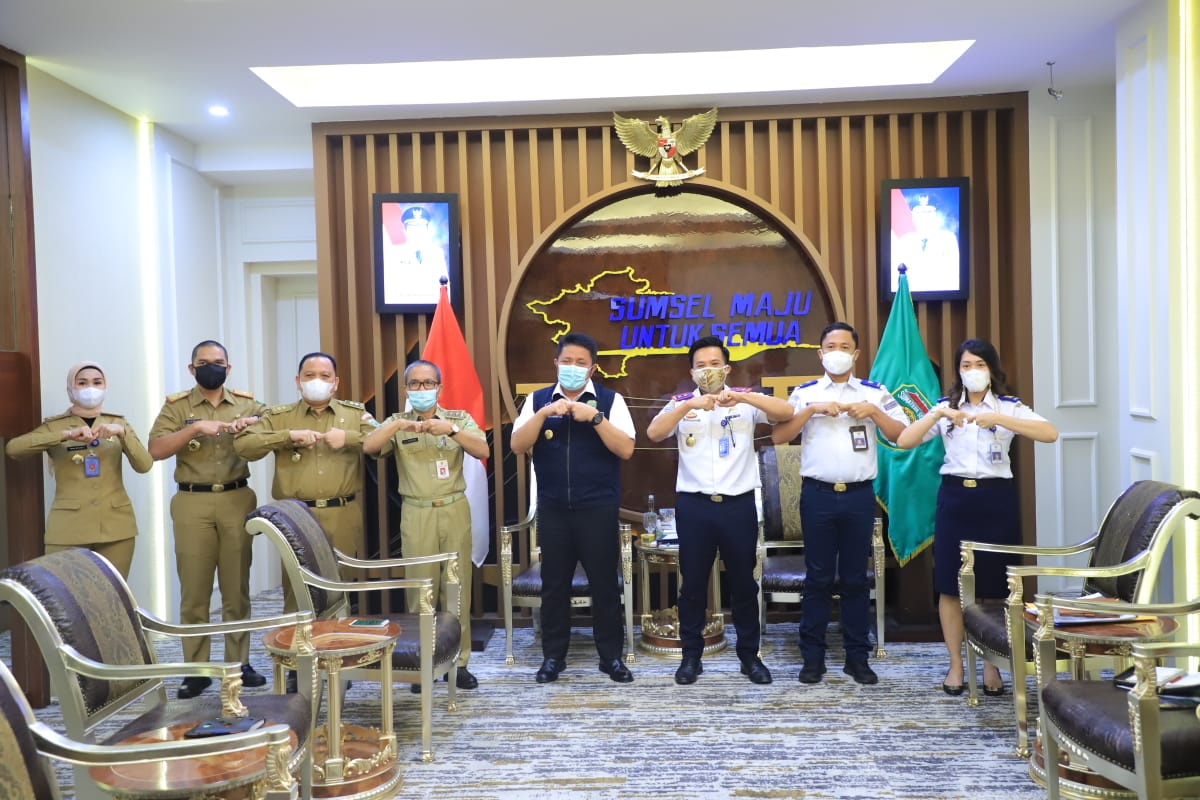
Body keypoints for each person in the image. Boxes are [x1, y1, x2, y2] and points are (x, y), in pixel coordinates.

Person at [896, 338, 1057, 696]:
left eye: (979, 365)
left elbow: (1050, 433)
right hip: (955, 498)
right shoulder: (945, 407)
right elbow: (904, 441)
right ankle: (956, 663)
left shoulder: (1009, 407)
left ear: (992, 369)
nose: (972, 371)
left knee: (995, 587)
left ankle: (991, 663)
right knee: (950, 585)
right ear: (958, 371)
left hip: (995, 499)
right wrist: (937, 415)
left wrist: (997, 418)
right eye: (966, 365)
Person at [646, 335, 793, 686]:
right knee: (692, 587)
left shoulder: (745, 401)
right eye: (701, 366)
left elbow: (786, 413)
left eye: (714, 364)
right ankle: (691, 658)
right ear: (691, 372)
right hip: (695, 507)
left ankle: (750, 657)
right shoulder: (681, 403)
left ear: (727, 369)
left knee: (743, 585)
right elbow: (654, 433)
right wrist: (688, 405)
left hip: (738, 506)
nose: (708, 371)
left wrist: (742, 396)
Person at [772, 322, 908, 685]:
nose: (837, 352)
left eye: (844, 346)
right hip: (817, 495)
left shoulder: (874, 393)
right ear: (820, 354)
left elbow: (902, 434)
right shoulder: (805, 393)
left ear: (855, 354)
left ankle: (857, 658)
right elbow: (779, 435)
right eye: (830, 346)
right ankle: (812, 657)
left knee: (854, 580)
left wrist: (873, 412)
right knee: (817, 578)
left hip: (859, 496)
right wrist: (810, 411)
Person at [510, 332, 636, 684]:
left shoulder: (610, 400)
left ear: (593, 368)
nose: (573, 368)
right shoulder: (537, 400)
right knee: (554, 587)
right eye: (567, 361)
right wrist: (544, 413)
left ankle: (611, 658)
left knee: (604, 585)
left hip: (598, 509)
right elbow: (517, 444)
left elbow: (626, 449)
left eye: (581, 363)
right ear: (556, 363)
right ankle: (553, 657)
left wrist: (594, 418)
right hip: (554, 511)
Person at [148, 340, 269, 699]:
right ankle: (197, 669)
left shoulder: (246, 403)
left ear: (228, 368)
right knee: (194, 591)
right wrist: (194, 428)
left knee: (236, 588)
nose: (211, 367)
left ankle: (238, 664)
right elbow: (155, 449)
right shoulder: (177, 407)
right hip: (192, 501)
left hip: (236, 498)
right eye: (203, 362)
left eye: (218, 362)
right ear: (192, 369)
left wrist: (252, 423)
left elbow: (273, 424)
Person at [363, 359, 489, 691]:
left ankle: (459, 663)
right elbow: (370, 446)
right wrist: (397, 425)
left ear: (439, 387)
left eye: (428, 383)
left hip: (454, 509)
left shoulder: (457, 418)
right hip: (416, 512)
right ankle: (424, 662)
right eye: (415, 384)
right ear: (405, 389)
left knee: (457, 589)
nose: (422, 389)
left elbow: (482, 448)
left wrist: (451, 431)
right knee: (421, 591)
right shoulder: (397, 421)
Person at [234, 352, 377, 611]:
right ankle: (296, 638)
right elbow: (244, 445)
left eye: (325, 375)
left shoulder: (355, 414)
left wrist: (347, 438)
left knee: (340, 588)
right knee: (297, 589)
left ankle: (336, 638)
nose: (317, 381)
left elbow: (383, 444)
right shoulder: (280, 416)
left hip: (341, 513)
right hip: (295, 515)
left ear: (336, 382)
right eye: (309, 375)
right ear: (298, 381)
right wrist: (287, 437)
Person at [4, 361, 153, 577]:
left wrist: (122, 433)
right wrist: (65, 435)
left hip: (116, 527)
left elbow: (144, 464)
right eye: (82, 383)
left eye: (97, 382)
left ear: (105, 387)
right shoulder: (55, 425)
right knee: (66, 593)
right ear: (70, 389)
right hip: (68, 529)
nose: (90, 388)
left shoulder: (117, 423)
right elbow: (14, 449)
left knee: (111, 594)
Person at [891, 193, 960, 294]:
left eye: (928, 213)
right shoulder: (904, 241)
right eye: (919, 214)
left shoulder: (948, 239)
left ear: (934, 216)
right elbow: (896, 279)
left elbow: (955, 276)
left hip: (941, 295)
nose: (923, 218)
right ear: (913, 217)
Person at [382, 206, 450, 307]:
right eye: (413, 227)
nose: (417, 232)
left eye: (421, 227)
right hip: (402, 307)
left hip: (434, 309)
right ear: (405, 231)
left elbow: (445, 289)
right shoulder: (394, 254)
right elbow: (389, 291)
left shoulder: (437, 254)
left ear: (427, 230)